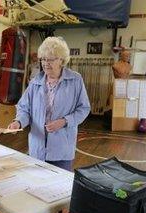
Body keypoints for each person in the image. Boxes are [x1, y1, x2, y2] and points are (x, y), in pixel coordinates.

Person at [7, 36, 90, 172]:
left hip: (62, 148)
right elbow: (24, 108)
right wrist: (19, 122)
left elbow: (84, 108)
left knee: (60, 187)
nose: (45, 63)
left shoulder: (75, 80)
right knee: (37, 184)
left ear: (61, 60)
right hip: (37, 146)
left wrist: (64, 121)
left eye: (50, 59)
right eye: (43, 59)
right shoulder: (35, 81)